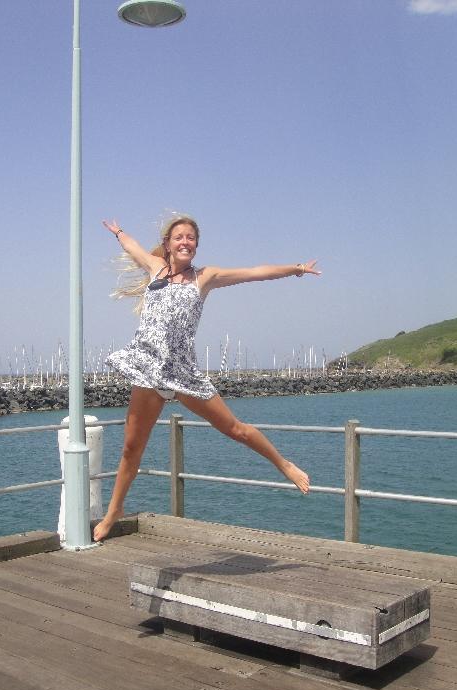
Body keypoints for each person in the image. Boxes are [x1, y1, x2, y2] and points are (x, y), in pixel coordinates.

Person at [93, 215, 321, 542]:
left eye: (191, 238)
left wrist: (295, 268)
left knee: (234, 429)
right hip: (148, 370)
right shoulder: (155, 268)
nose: (185, 242)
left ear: (196, 245)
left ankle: (283, 464)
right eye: (179, 237)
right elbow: (132, 247)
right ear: (169, 244)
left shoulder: (205, 277)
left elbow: (254, 273)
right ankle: (114, 510)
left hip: (183, 374)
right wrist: (118, 233)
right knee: (131, 448)